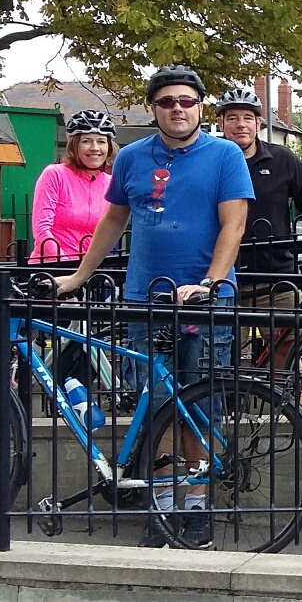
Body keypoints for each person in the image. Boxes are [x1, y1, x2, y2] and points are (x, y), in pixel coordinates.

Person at [54, 65, 254, 550]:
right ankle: (162, 509)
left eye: (186, 101)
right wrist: (80, 276)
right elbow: (114, 219)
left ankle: (197, 509)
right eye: (167, 102)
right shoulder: (133, 158)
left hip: (207, 305)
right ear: (153, 109)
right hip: (145, 299)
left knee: (199, 406)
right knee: (157, 407)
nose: (178, 109)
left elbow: (235, 225)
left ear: (200, 107)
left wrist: (210, 282)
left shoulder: (225, 154)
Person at [215, 86, 302, 368]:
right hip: (224, 279)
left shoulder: (282, 160)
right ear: (220, 123)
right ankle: (226, 412)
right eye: (232, 118)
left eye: (247, 117)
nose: (240, 124)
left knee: (288, 362)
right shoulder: (210, 160)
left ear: (259, 123)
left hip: (277, 277)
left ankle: (291, 411)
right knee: (219, 363)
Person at [30, 110, 118, 264]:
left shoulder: (111, 183)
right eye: (86, 141)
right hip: (51, 269)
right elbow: (42, 229)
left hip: (91, 272)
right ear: (73, 146)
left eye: (101, 141)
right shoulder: (55, 174)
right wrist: (67, 265)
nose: (94, 147)